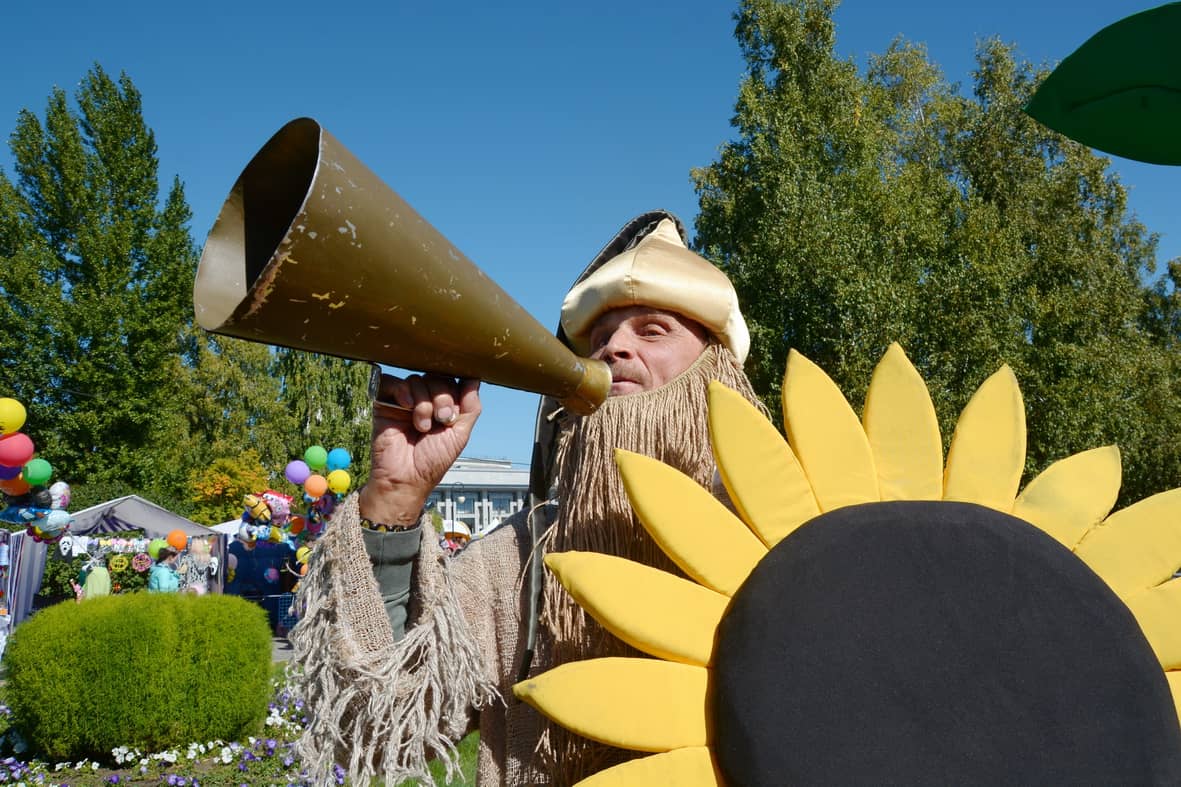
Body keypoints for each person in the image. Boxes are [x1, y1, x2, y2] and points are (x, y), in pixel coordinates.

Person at [291, 211, 764, 785]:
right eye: (599, 337)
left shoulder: (776, 541)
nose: (612, 348)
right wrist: (395, 496)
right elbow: (371, 735)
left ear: (716, 364)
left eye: (652, 329)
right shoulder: (511, 563)